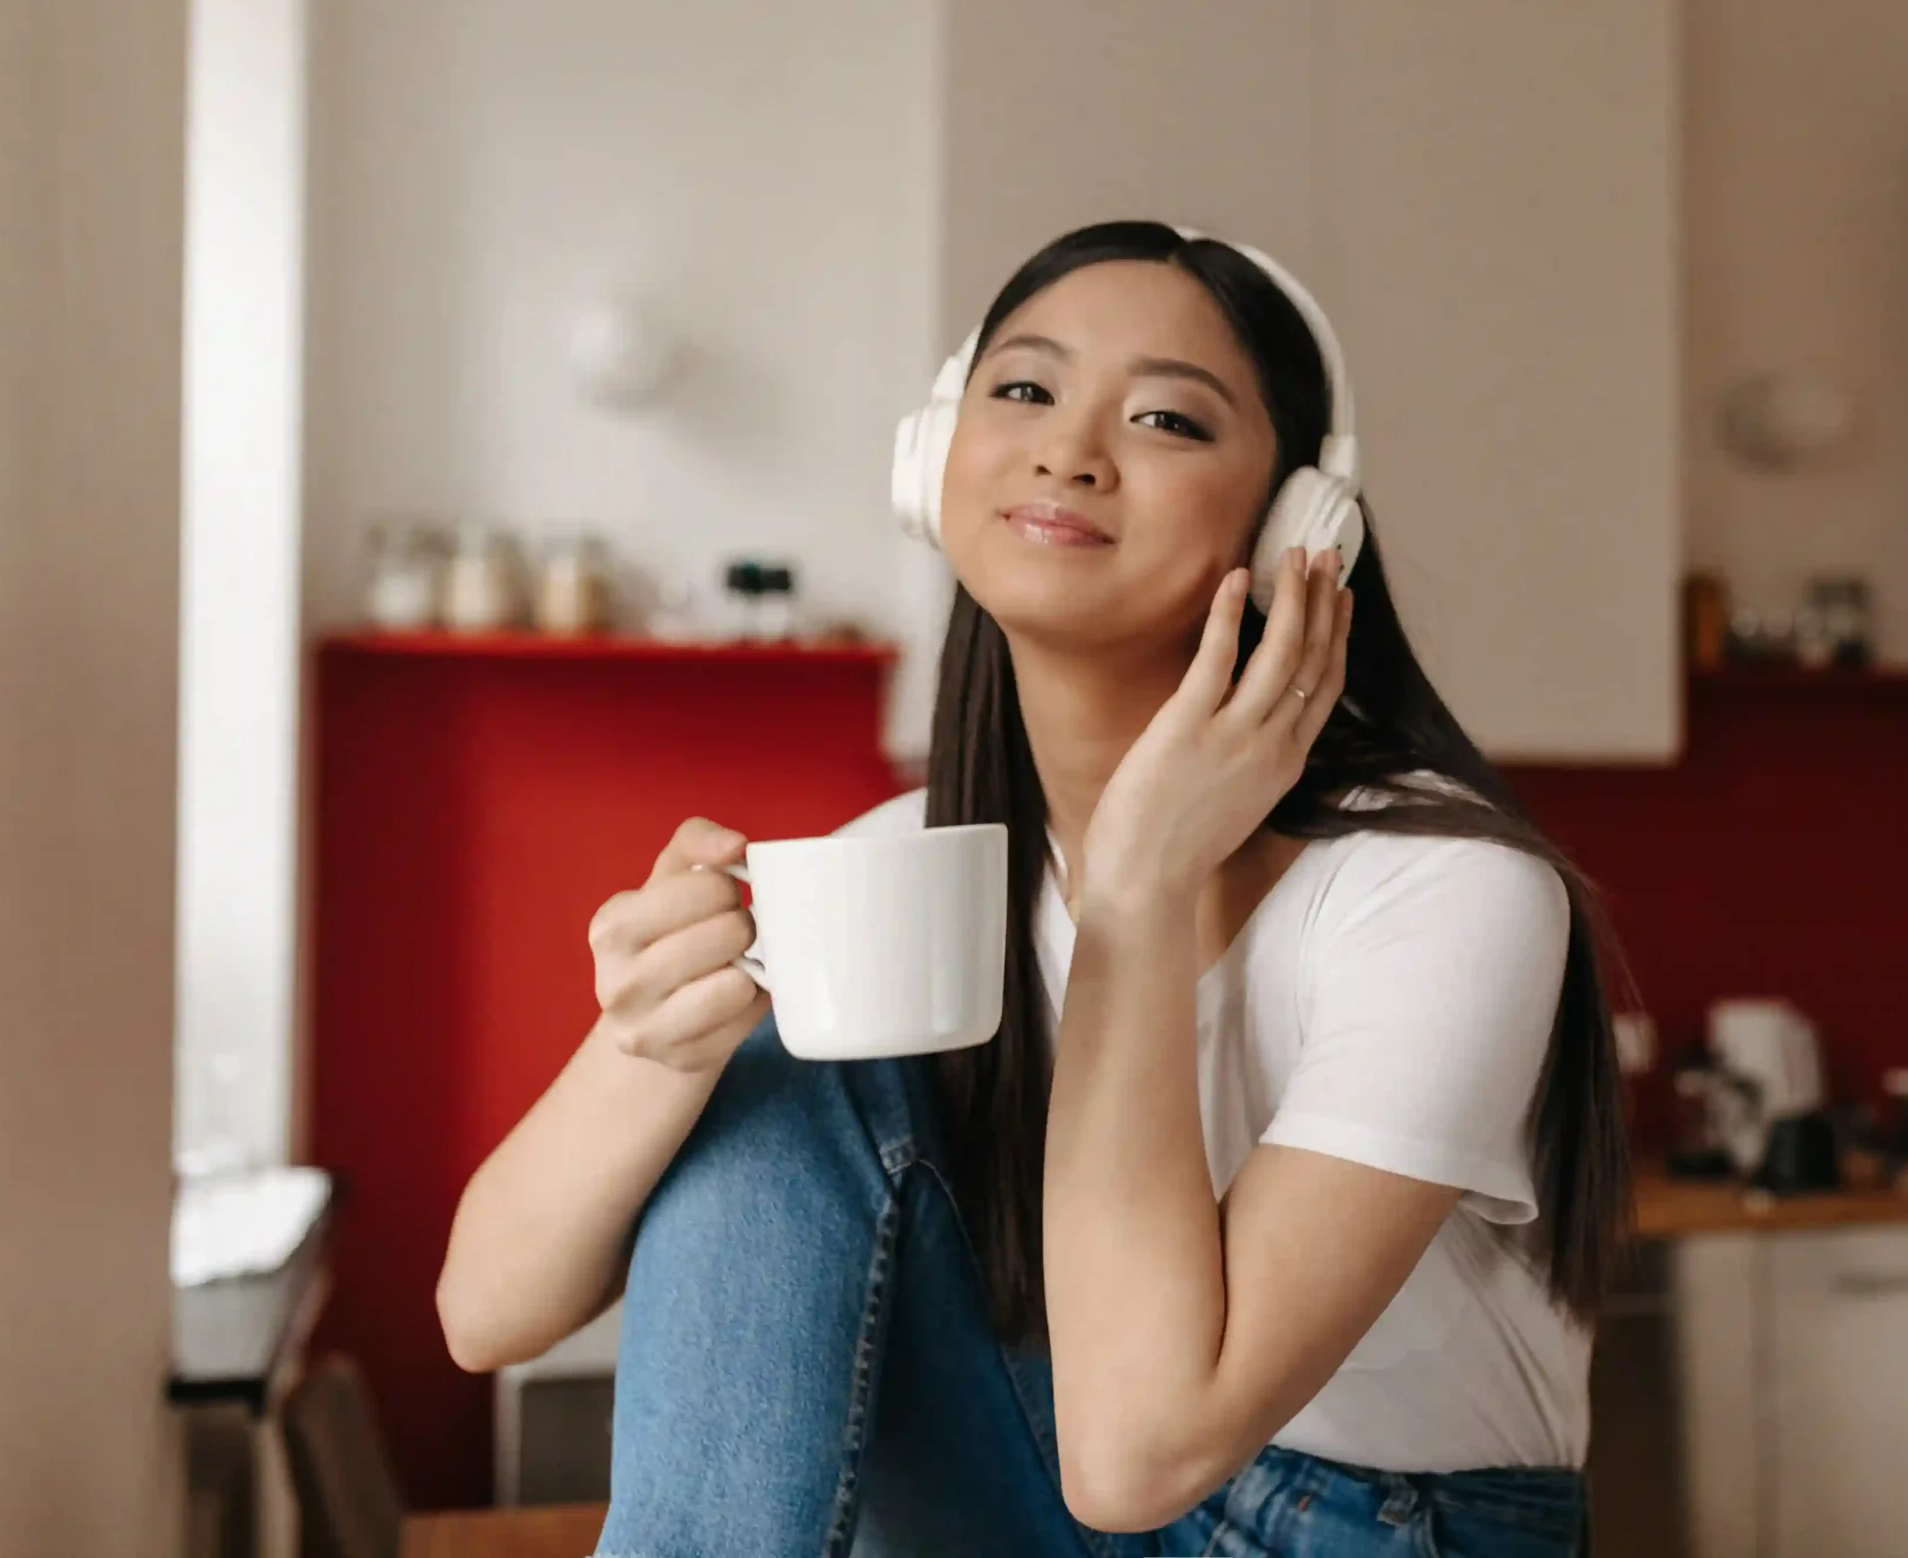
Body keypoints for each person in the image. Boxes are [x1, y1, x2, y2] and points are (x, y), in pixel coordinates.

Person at [436, 221, 1631, 1557]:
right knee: (800, 1062)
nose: (1070, 448)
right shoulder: (910, 869)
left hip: (1358, 1523)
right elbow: (485, 1312)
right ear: (932, 457)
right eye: (1022, 389)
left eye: (1169, 418)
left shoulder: (1446, 893)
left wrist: (1138, 894)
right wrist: (650, 1043)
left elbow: (1139, 1454)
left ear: (1303, 525)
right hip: (1064, 1473)